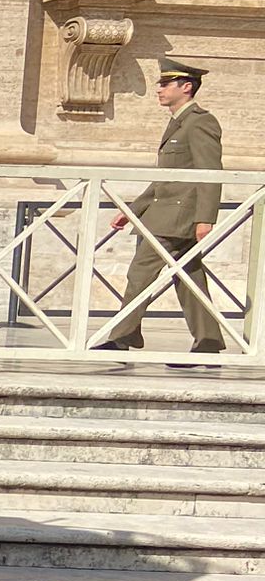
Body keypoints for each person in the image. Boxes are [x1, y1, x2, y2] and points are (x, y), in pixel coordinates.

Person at [94, 57, 224, 357]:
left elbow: (210, 172)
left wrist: (206, 218)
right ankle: (208, 341)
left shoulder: (200, 122)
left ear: (186, 87)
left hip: (177, 217)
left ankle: (123, 337)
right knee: (189, 277)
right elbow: (165, 178)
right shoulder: (179, 122)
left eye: (166, 83)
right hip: (164, 213)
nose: (159, 89)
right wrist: (133, 210)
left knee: (141, 272)